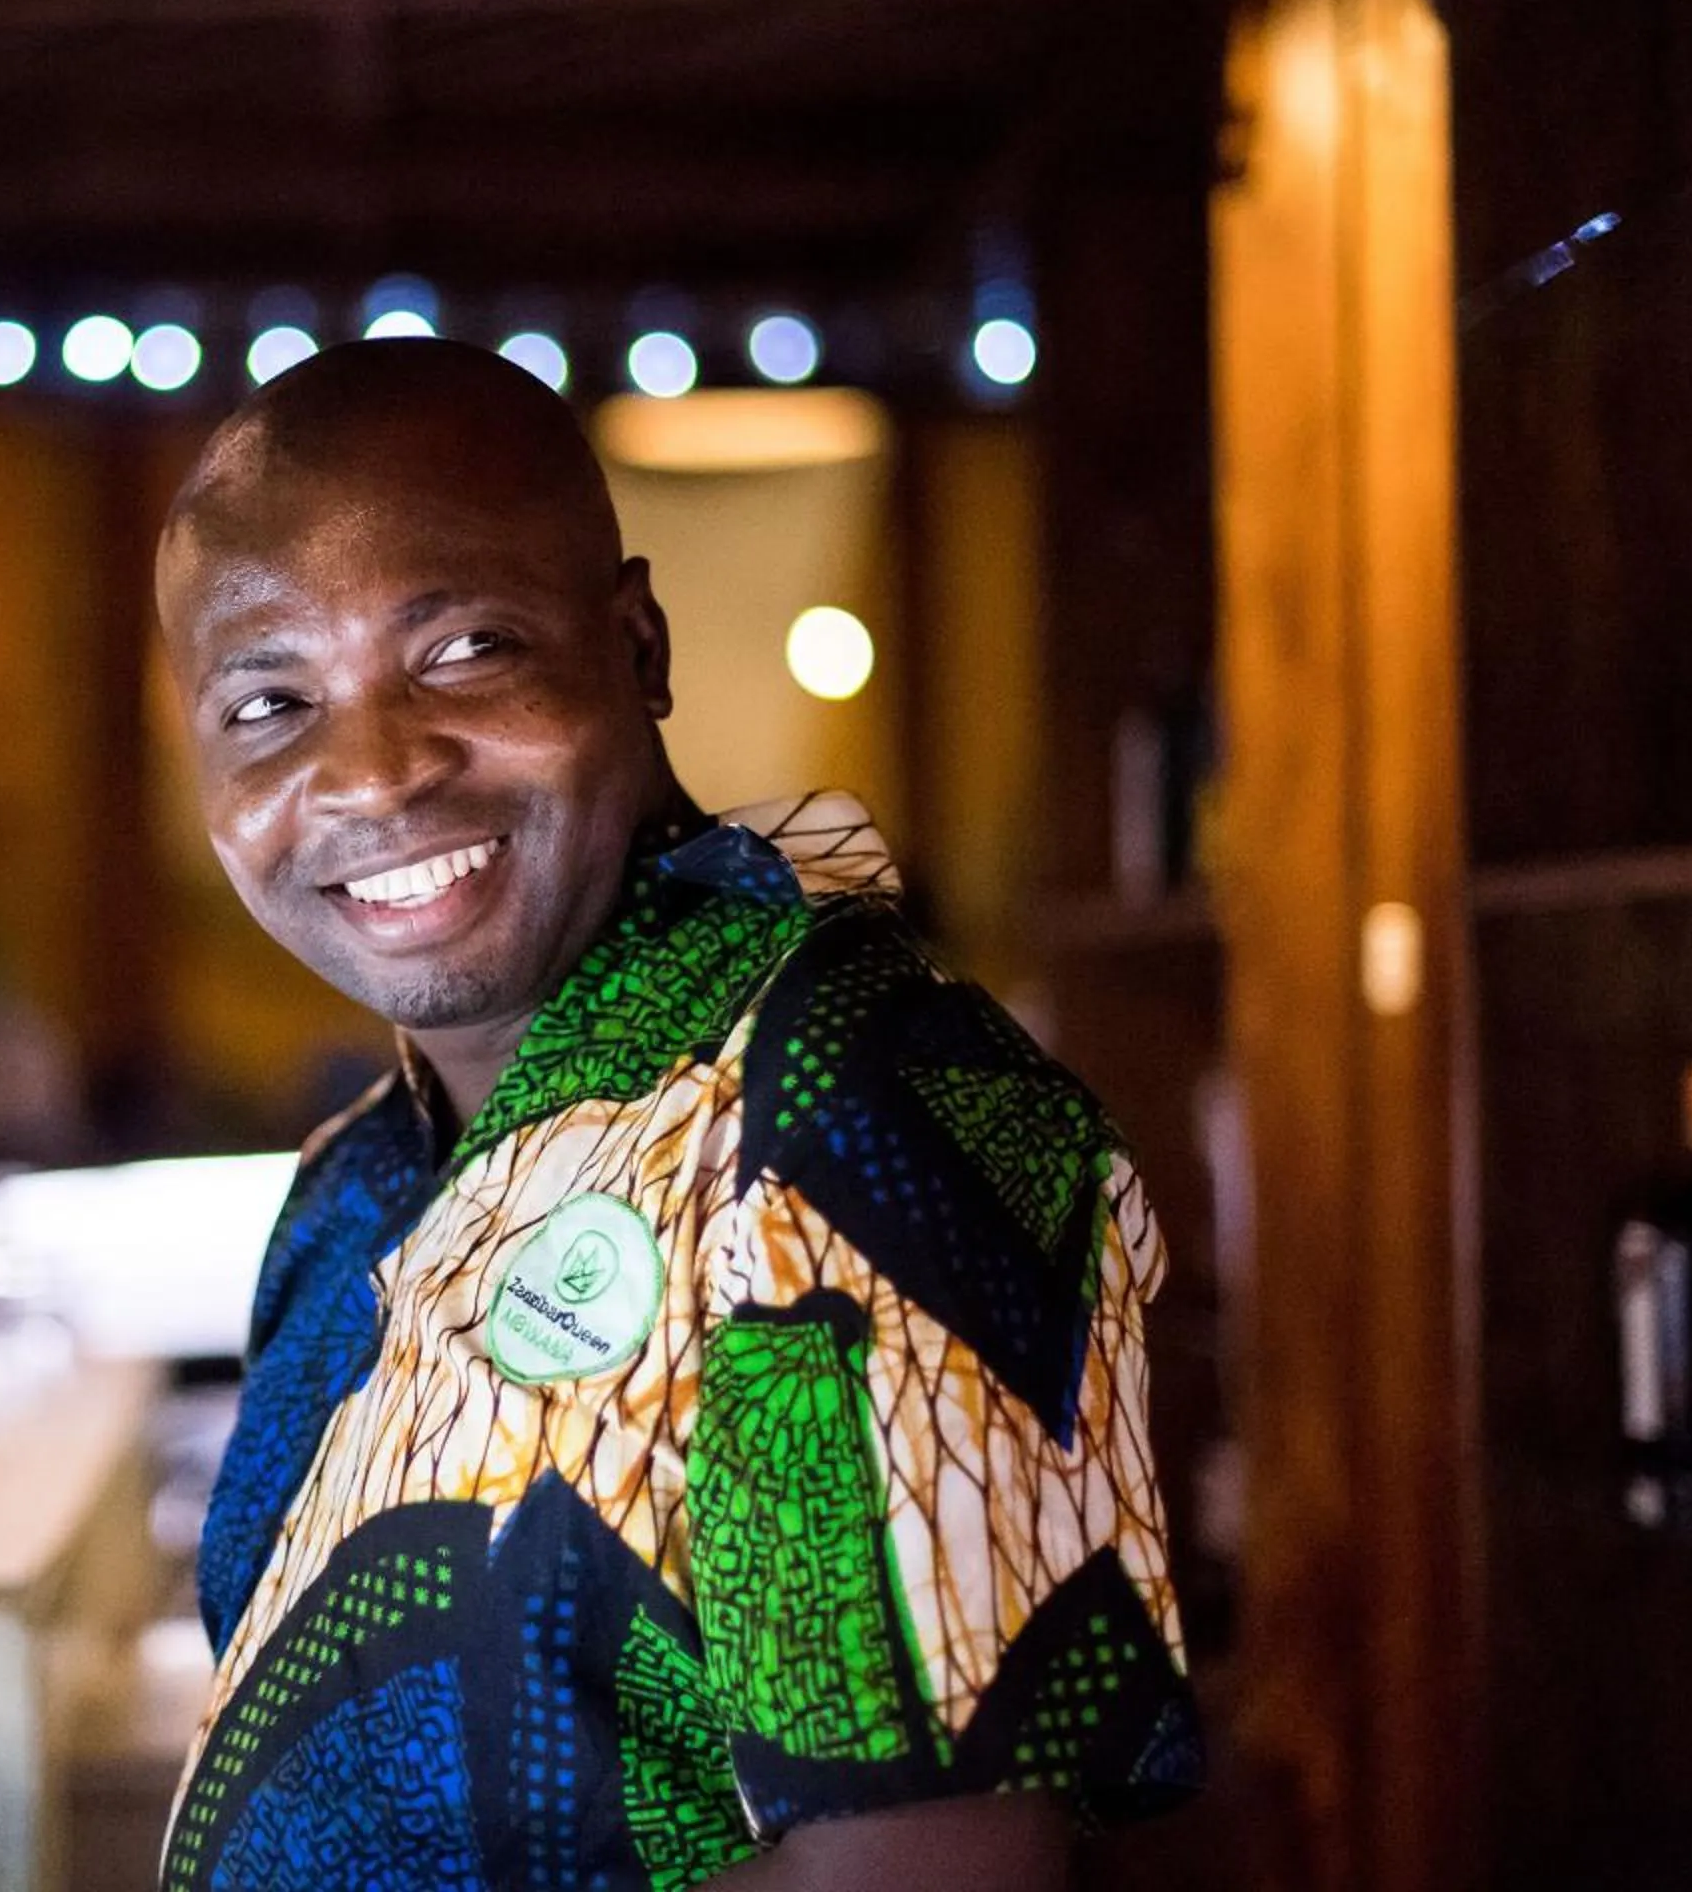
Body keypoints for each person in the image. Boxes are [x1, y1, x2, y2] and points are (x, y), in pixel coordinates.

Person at [151, 338, 1200, 1890]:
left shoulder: (835, 1114)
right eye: (271, 700)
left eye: (460, 651)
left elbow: (924, 1883)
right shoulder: (355, 1187)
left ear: (636, 647)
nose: (370, 771)